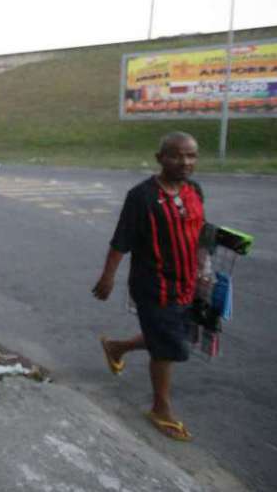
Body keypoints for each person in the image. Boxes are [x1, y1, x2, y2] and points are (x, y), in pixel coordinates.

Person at [92, 131, 206, 442]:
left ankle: (116, 346)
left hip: (187, 282)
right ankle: (161, 407)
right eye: (176, 155)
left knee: (170, 335)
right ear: (160, 159)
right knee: (169, 347)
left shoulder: (194, 190)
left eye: (191, 155)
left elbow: (198, 232)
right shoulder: (141, 196)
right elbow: (121, 241)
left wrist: (205, 268)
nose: (185, 162)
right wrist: (107, 277)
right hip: (154, 285)